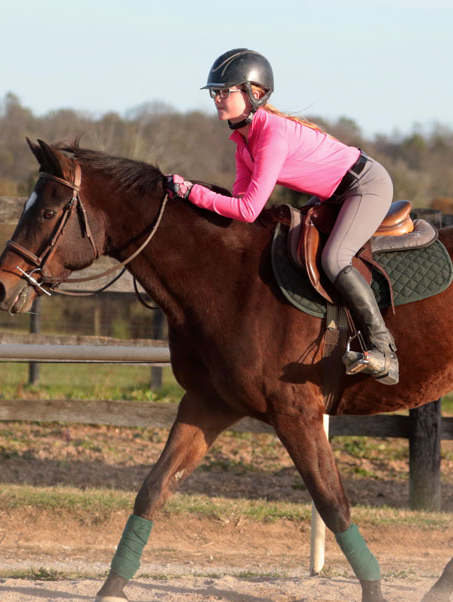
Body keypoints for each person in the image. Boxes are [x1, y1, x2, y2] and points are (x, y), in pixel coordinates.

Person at [164, 48, 398, 385]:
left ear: (253, 93)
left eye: (223, 91)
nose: (216, 98)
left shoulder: (270, 136)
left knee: (334, 258)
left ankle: (383, 349)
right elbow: (240, 205)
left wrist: (191, 192)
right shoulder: (243, 141)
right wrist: (190, 201)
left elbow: (248, 209)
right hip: (333, 194)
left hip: (365, 186)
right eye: (213, 92)